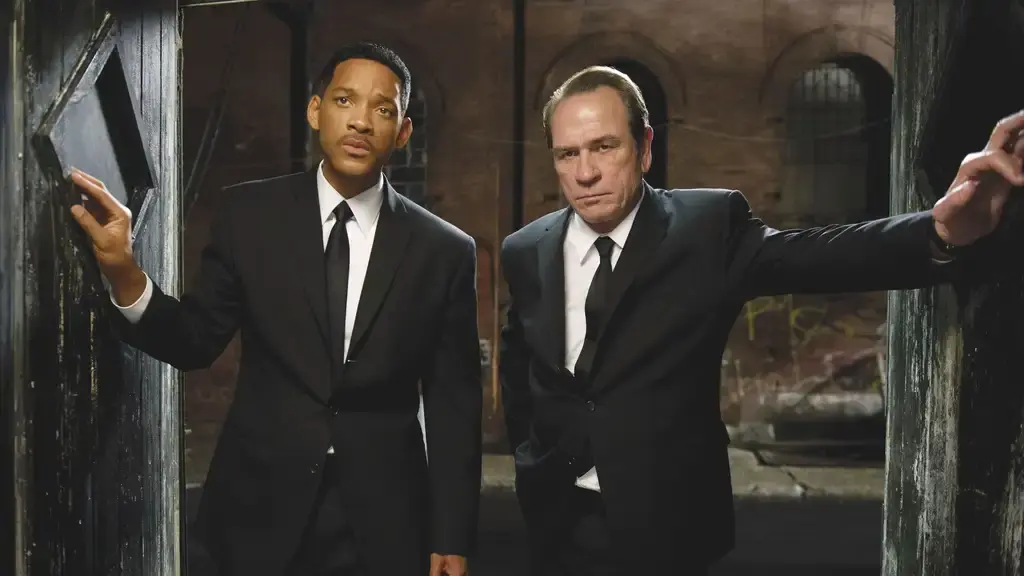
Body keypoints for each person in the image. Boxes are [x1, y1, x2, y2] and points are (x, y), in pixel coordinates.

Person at [498, 65, 1024, 576]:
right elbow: (523, 372)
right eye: (567, 154)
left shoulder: (705, 229)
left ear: (645, 147)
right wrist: (531, 461)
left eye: (604, 146)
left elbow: (819, 254)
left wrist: (940, 231)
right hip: (557, 525)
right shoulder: (526, 250)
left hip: (664, 529)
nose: (584, 172)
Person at [69, 42, 482, 576]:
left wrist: (451, 535)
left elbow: (454, 406)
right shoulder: (250, 214)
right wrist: (125, 271)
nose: (360, 121)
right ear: (315, 110)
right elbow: (195, 340)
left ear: (402, 132)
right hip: (256, 507)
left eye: (382, 109)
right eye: (344, 100)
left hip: (385, 520)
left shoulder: (444, 250)